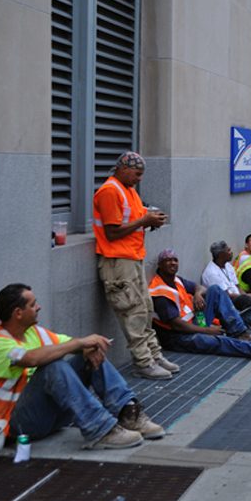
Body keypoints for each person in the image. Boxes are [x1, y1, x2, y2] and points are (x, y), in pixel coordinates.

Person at [0, 283, 163, 450]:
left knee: (90, 353)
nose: (39, 307)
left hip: (49, 418)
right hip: (15, 426)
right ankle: (101, 430)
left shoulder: (34, 333)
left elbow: (70, 343)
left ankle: (128, 412)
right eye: (33, 304)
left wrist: (87, 346)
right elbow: (30, 359)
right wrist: (81, 344)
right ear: (18, 313)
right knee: (52, 365)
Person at [92, 151, 177, 380]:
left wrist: (151, 222)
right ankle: (143, 362)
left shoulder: (128, 190)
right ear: (124, 169)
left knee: (146, 308)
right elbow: (111, 233)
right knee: (133, 311)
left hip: (132, 257)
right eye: (137, 174)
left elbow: (133, 221)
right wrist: (145, 221)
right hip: (118, 261)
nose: (139, 179)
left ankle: (153, 355)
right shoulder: (110, 191)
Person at [149, 249, 251, 359]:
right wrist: (208, 331)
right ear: (160, 265)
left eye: (175, 260)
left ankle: (240, 332)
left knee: (215, 289)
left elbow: (199, 287)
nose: (173, 263)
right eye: (168, 260)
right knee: (220, 342)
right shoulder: (161, 292)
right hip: (179, 337)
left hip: (195, 322)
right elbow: (177, 325)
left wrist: (197, 294)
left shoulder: (176, 280)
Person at [200, 241, 251, 324]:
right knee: (244, 299)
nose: (231, 253)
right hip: (227, 302)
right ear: (221, 254)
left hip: (239, 298)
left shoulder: (228, 266)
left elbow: (238, 287)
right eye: (229, 250)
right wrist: (250, 296)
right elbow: (226, 296)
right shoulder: (212, 273)